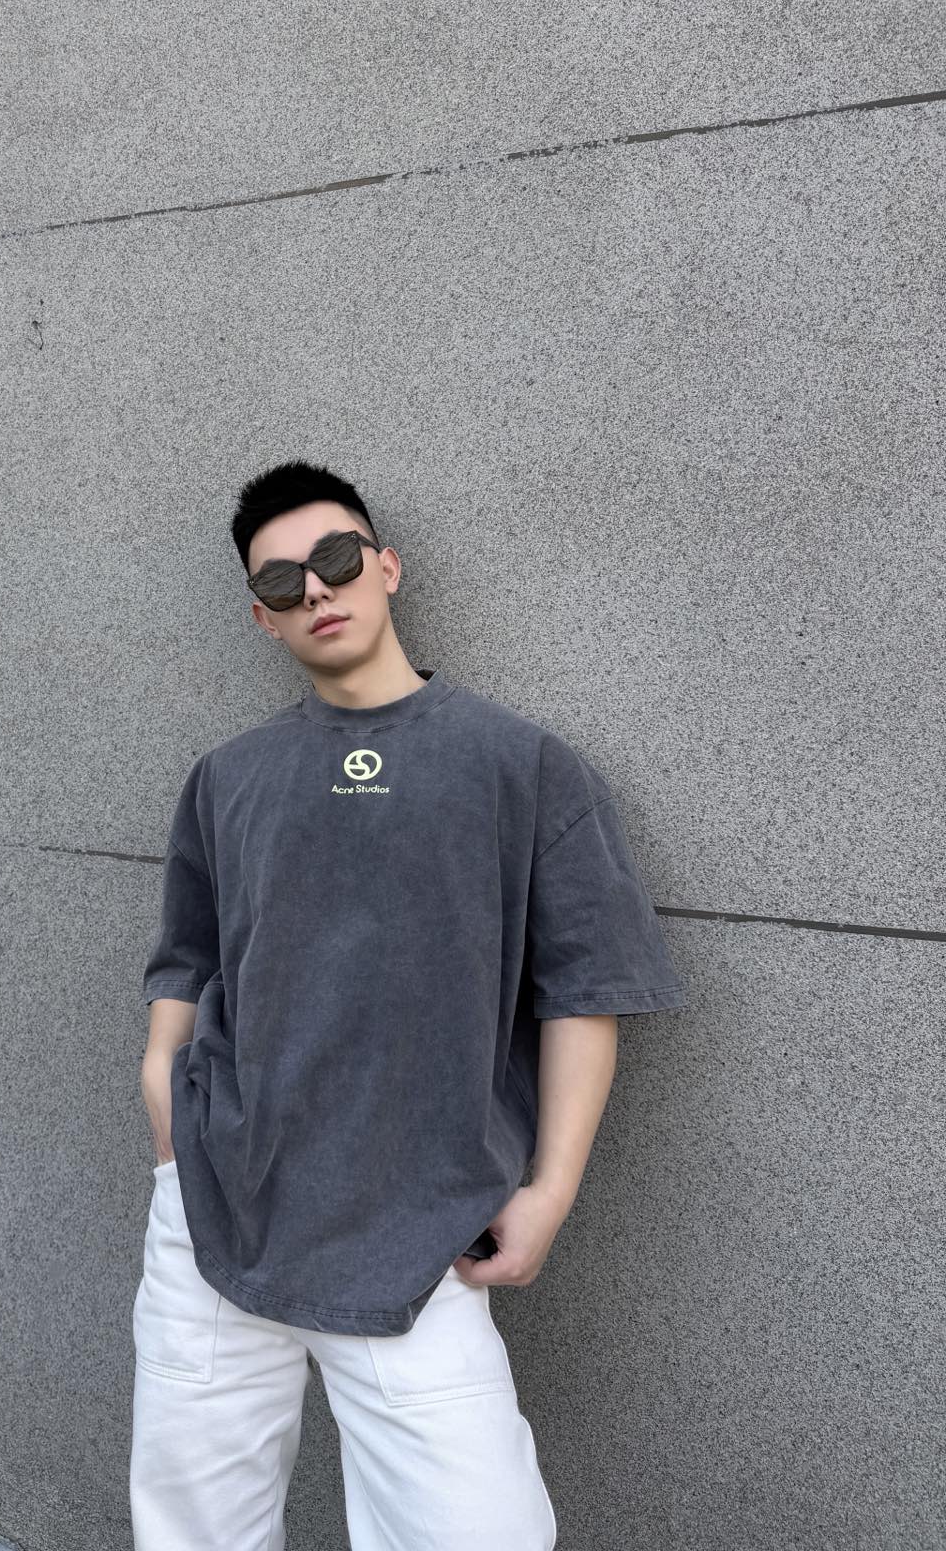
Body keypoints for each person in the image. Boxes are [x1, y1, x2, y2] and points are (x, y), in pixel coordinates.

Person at [131, 459, 688, 1550]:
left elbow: (586, 991)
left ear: (386, 566)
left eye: (336, 559)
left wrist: (550, 1192)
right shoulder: (229, 777)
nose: (316, 590)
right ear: (262, 618)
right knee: (194, 1528)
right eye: (282, 582)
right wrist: (164, 1097)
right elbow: (186, 960)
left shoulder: (521, 765)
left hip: (418, 1228)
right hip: (215, 1209)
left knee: (478, 1531)